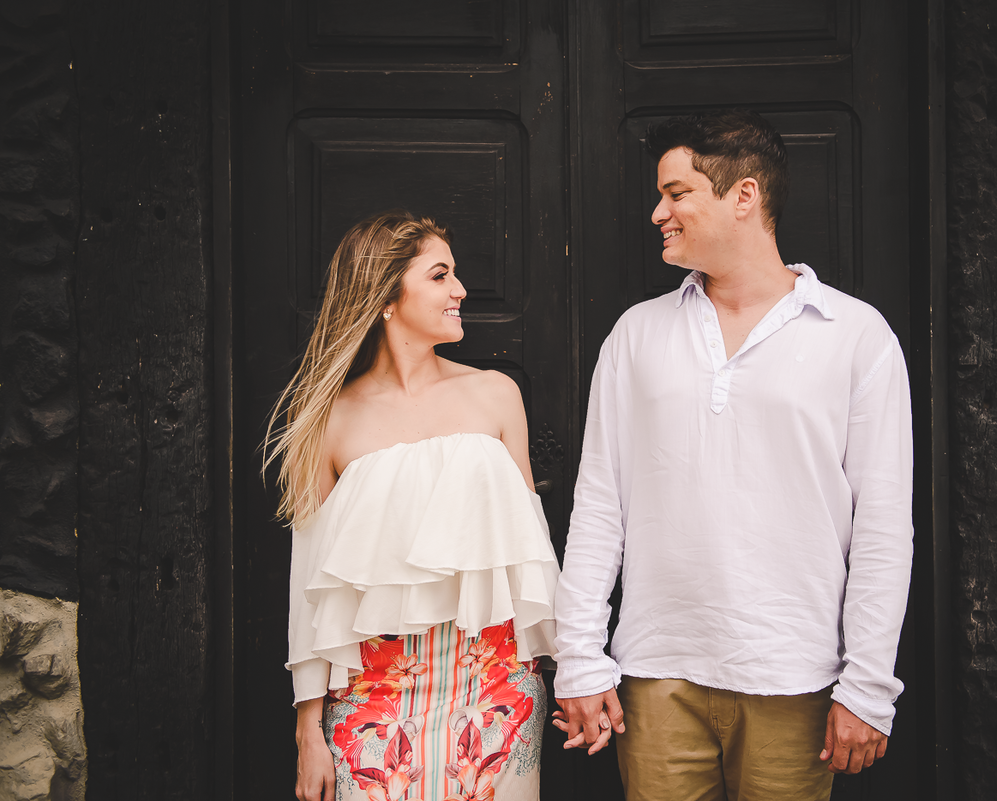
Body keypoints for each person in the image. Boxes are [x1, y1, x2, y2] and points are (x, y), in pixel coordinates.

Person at [551, 110, 914, 800]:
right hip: (655, 673)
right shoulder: (636, 334)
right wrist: (579, 657)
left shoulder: (856, 335)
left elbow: (883, 526)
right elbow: (599, 506)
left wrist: (868, 683)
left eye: (677, 193)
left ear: (744, 195)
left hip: (796, 677)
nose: (658, 212)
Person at [265, 211, 560, 801]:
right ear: (385, 296)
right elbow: (309, 585)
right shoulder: (328, 419)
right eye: (440, 275)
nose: (461, 290)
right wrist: (307, 730)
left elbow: (535, 556)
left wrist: (573, 669)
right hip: (371, 697)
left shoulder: (497, 394)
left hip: (496, 684)